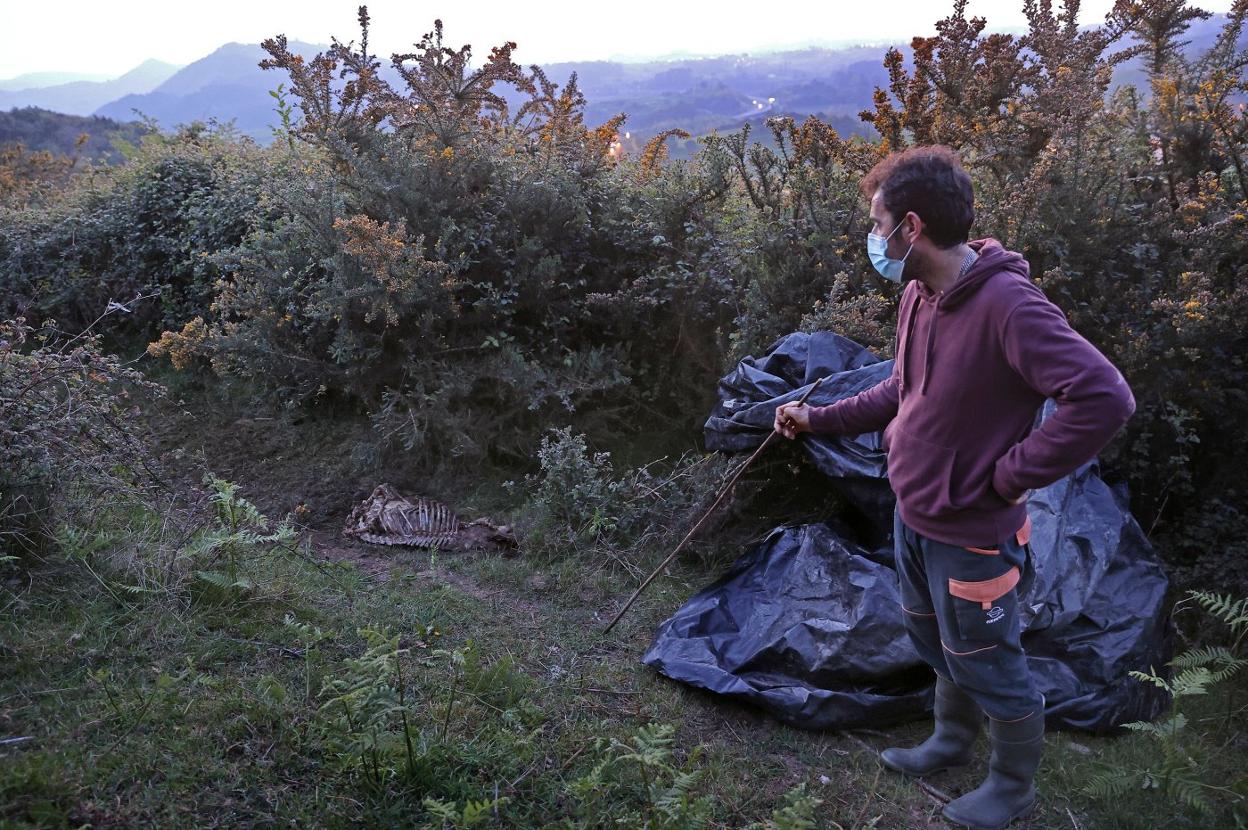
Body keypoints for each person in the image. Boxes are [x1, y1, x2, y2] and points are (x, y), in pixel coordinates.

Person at [773, 146, 1135, 830]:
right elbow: (900, 389)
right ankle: (949, 740)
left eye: (876, 223)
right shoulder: (921, 293)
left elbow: (1104, 396)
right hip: (915, 514)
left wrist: (1008, 475)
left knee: (989, 659)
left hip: (974, 532)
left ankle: (1011, 786)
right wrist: (816, 418)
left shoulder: (1008, 306)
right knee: (935, 639)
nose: (871, 238)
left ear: (911, 227)